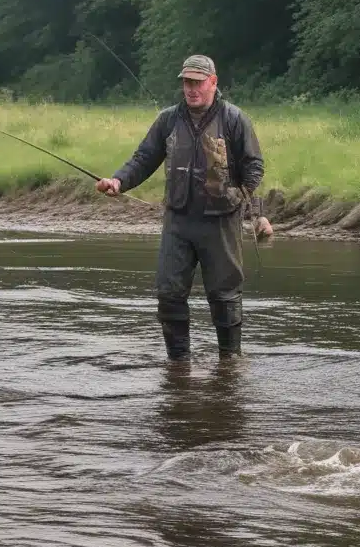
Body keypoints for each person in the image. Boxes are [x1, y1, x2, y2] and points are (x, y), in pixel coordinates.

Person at [96, 55, 273, 360]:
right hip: (178, 221)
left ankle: (229, 362)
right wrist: (118, 181)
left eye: (197, 82)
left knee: (224, 295)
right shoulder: (168, 119)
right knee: (169, 293)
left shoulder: (234, 119)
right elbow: (143, 158)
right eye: (186, 82)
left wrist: (237, 195)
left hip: (220, 221)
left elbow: (254, 166)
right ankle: (178, 365)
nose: (191, 89)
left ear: (213, 82)